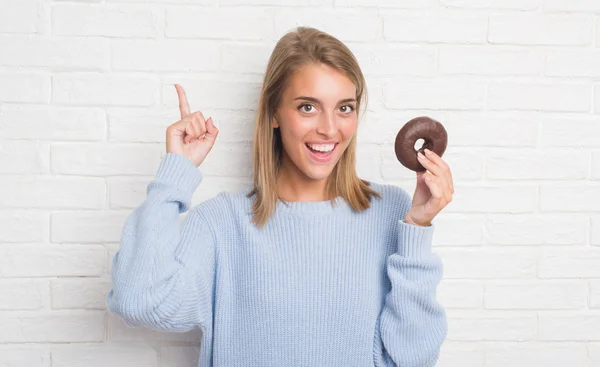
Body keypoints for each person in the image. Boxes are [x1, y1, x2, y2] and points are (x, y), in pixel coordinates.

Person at [107, 26, 453, 367]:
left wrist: (417, 229)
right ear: (273, 112)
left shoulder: (391, 212)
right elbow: (139, 300)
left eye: (344, 108)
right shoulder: (221, 224)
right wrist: (175, 176)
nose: (330, 129)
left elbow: (413, 359)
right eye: (308, 107)